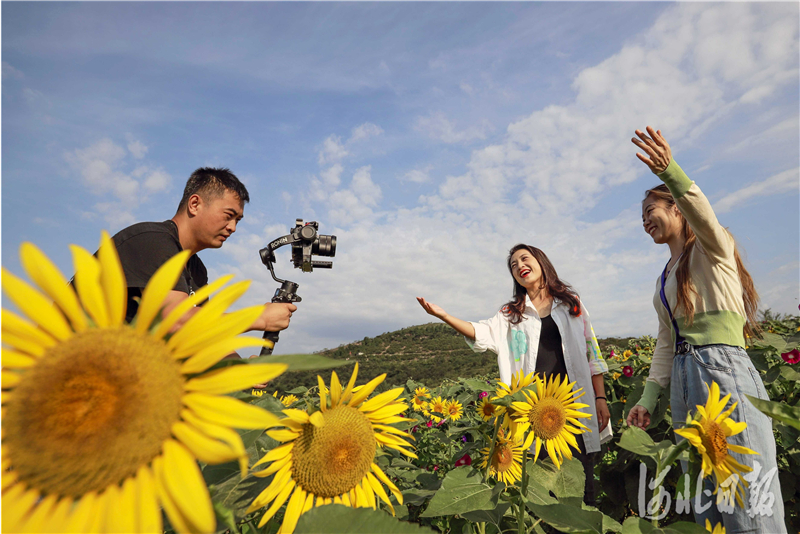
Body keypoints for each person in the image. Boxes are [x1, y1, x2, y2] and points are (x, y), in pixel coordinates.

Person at [626, 127, 785, 532]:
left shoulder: (713, 247)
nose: (646, 221)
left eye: (652, 211)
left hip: (721, 368)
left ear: (677, 209)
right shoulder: (664, 276)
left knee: (747, 487)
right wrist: (648, 397)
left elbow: (705, 215)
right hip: (682, 378)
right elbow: (666, 341)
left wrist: (671, 173)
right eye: (642, 217)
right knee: (705, 492)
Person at [418, 244, 610, 505]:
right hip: (530, 413)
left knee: (581, 488)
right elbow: (481, 333)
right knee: (541, 494)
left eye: (524, 259)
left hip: (572, 409)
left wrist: (600, 398)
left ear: (541, 263)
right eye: (513, 265)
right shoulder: (511, 314)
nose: (519, 266)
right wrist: (444, 315)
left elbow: (592, 353)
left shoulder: (571, 305)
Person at [110, 167, 297, 340]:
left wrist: (242, 368)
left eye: (237, 220)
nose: (232, 228)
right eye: (228, 215)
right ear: (194, 204)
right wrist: (258, 318)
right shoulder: (152, 240)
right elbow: (174, 321)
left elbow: (201, 340)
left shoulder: (197, 270)